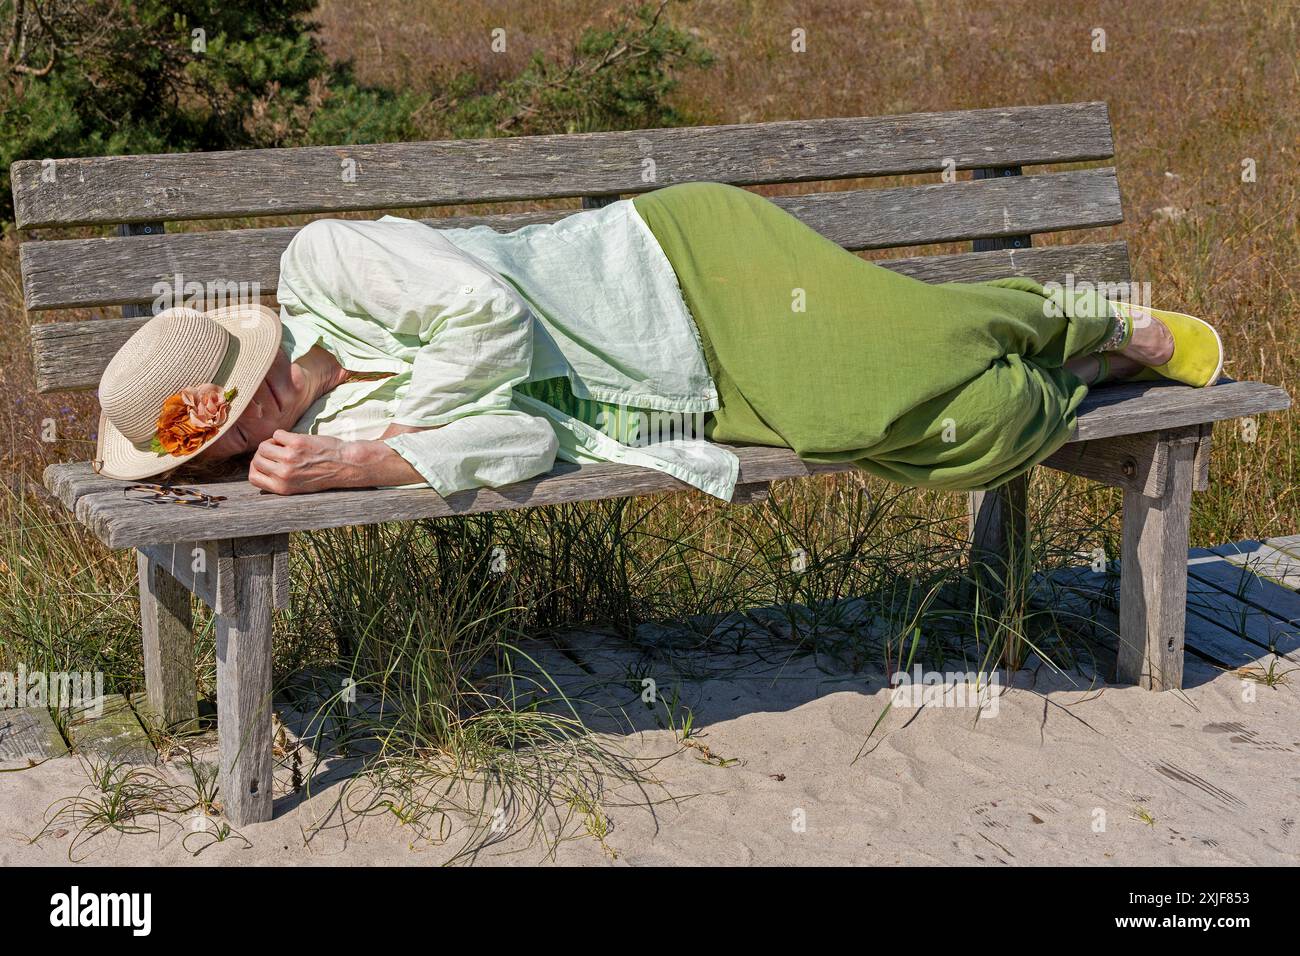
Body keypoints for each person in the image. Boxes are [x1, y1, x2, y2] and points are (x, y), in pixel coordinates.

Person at [92, 182, 1224, 499]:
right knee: (939, 431)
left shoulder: (325, 263)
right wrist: (372, 461)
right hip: (668, 400)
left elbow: (491, 316)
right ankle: (1065, 377)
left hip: (683, 267)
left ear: (235, 374)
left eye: (221, 420)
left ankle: (1082, 316)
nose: (242, 443)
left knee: (870, 387)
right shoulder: (335, 423)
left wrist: (403, 429)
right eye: (214, 455)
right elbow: (524, 439)